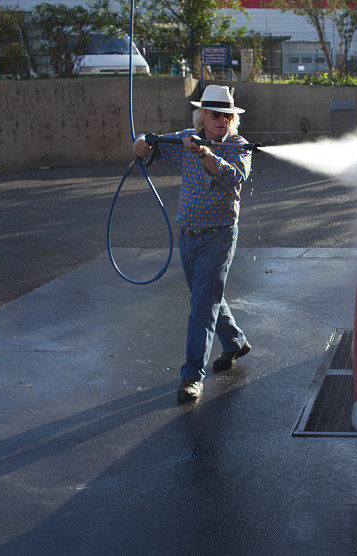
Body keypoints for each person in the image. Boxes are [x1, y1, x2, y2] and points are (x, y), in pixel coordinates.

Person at [132, 85, 252, 403]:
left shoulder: (239, 146)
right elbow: (154, 149)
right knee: (208, 295)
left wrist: (205, 153)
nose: (222, 121)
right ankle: (235, 342)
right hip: (188, 235)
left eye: (227, 116)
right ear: (202, 116)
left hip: (219, 236)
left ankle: (191, 377)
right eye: (216, 115)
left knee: (202, 305)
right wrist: (143, 144)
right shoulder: (187, 137)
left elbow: (233, 177)